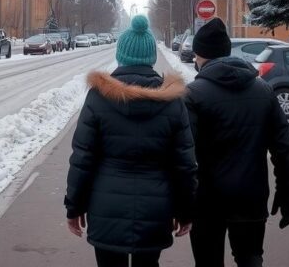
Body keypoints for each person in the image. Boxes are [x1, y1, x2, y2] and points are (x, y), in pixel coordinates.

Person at [65, 15, 197, 267]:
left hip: (106, 207)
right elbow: (185, 164)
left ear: (121, 55)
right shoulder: (172, 101)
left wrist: (74, 206)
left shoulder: (98, 97)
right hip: (155, 209)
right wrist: (185, 211)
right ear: (151, 57)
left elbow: (82, 158)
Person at [186, 18, 289, 267]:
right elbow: (284, 149)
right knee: (250, 259)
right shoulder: (263, 90)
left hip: (207, 201)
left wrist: (180, 203)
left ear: (201, 55)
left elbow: (184, 155)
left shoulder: (193, 94)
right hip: (251, 196)